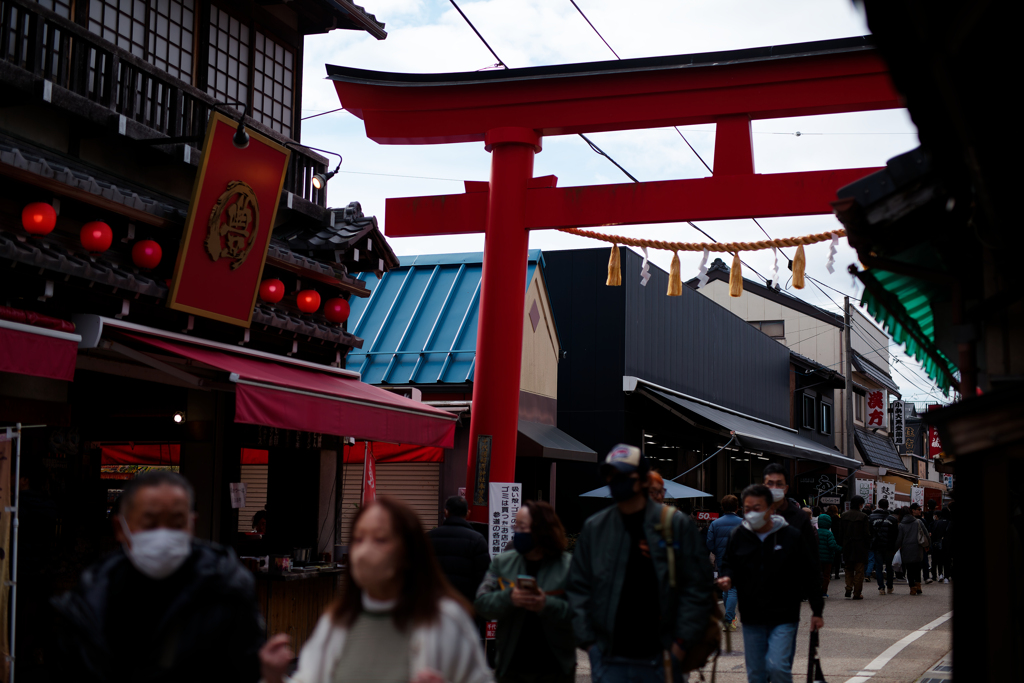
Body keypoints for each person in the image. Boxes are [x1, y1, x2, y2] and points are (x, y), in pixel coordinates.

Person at [51, 471, 265, 683]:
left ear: (192, 525)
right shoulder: (88, 605)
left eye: (177, 522)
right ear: (120, 528)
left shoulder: (228, 590)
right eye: (149, 523)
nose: (163, 534)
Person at [260, 497, 492, 683]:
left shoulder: (446, 620)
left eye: (380, 539)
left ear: (408, 552)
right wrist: (274, 678)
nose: (364, 551)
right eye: (359, 539)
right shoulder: (337, 621)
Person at [567, 444, 712, 683]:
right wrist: (591, 645)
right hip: (608, 658)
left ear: (643, 480)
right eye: (610, 475)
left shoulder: (676, 524)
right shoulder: (596, 527)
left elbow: (698, 587)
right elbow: (577, 587)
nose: (615, 481)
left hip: (662, 658)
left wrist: (679, 646)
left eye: (624, 475)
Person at [717, 485, 824, 683]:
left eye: (757, 507)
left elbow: (810, 571)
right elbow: (728, 563)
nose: (751, 513)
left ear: (770, 509)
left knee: (778, 667)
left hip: (784, 613)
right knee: (756, 673)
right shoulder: (738, 535)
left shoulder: (790, 535)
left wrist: (817, 609)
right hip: (752, 614)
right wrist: (727, 577)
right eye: (747, 508)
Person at [476, 500, 575, 683]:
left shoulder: (568, 566)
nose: (516, 532)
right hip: (511, 667)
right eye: (515, 526)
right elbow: (482, 603)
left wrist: (547, 604)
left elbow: (581, 612)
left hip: (555, 668)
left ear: (541, 530)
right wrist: (509, 598)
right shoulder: (502, 562)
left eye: (522, 527)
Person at [427, 496, 491, 605]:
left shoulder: (428, 538)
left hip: (434, 604)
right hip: (466, 605)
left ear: (446, 512)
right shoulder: (477, 540)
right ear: (468, 513)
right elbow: (484, 577)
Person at [762, 464, 820, 582]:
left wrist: (815, 596)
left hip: (789, 588)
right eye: (770, 483)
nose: (774, 488)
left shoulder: (800, 518)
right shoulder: (754, 515)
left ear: (786, 488)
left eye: (779, 484)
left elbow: (811, 556)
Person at [706, 495, 743, 631]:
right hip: (739, 558)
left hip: (722, 558)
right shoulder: (743, 522)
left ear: (722, 507)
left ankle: (730, 617)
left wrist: (718, 552)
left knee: (726, 586)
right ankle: (729, 619)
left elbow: (709, 543)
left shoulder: (715, 523)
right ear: (737, 507)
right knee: (733, 588)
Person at [839, 496, 871, 600]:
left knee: (848, 569)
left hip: (847, 545)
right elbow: (866, 533)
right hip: (860, 546)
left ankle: (848, 588)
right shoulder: (863, 516)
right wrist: (868, 545)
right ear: (860, 504)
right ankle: (857, 593)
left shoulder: (844, 515)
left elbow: (841, 532)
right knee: (859, 571)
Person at [893, 507, 927, 596]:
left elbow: (899, 539)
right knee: (917, 567)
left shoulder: (901, 525)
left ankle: (912, 588)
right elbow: (926, 533)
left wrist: (895, 549)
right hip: (918, 547)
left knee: (909, 569)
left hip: (906, 549)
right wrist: (927, 545)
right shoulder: (918, 522)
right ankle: (918, 585)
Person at [868, 499, 898, 595]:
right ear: (888, 506)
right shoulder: (892, 519)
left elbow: (869, 532)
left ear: (878, 505)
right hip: (889, 546)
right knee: (889, 567)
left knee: (878, 567)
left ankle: (881, 587)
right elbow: (895, 535)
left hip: (877, 545)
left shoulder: (871, 517)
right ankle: (890, 586)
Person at [816, 514, 841, 598]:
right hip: (827, 559)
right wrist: (841, 549)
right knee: (826, 576)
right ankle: (823, 592)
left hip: (816, 558)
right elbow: (832, 545)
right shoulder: (829, 533)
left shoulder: (815, 532)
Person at [930, 508, 952, 583]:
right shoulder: (950, 522)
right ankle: (947, 576)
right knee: (947, 561)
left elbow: (934, 533)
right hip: (948, 544)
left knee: (939, 560)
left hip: (938, 543)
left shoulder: (937, 522)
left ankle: (940, 574)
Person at [826, 505, 842, 580]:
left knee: (830, 556)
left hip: (829, 537)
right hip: (838, 539)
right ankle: (837, 573)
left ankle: (829, 572)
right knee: (838, 557)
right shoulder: (839, 519)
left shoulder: (828, 519)